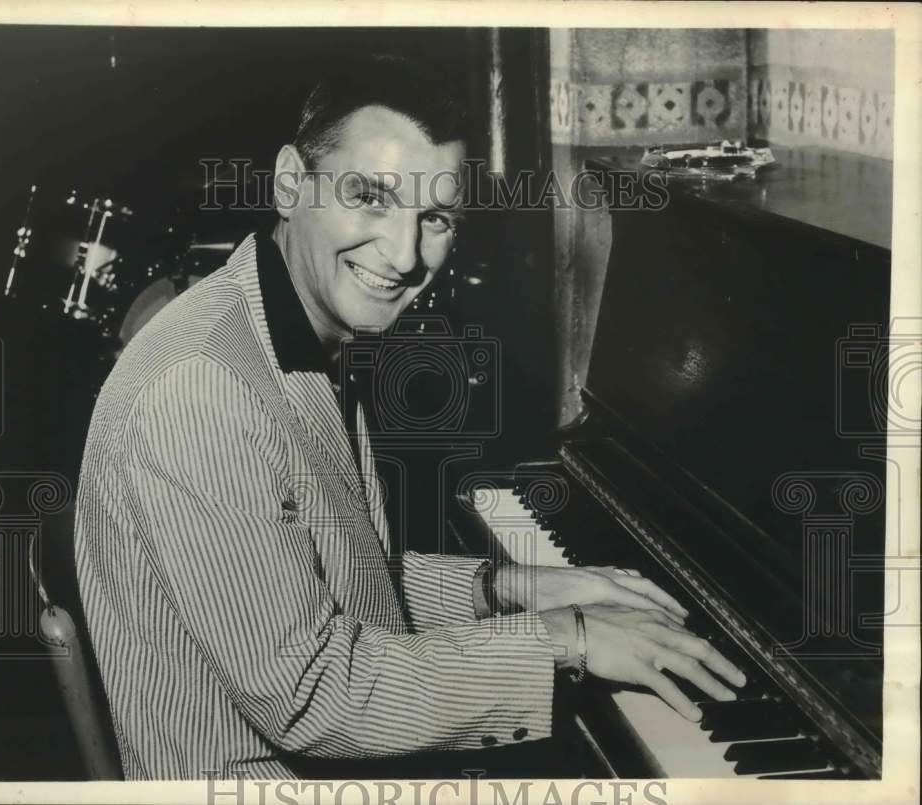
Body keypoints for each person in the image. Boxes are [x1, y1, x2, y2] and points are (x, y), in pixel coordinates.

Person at [74, 54, 746, 781]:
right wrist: (565, 639)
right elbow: (311, 692)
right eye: (370, 197)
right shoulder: (199, 384)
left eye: (434, 219)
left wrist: (510, 587)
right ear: (291, 182)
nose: (401, 256)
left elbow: (339, 580)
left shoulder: (292, 324)